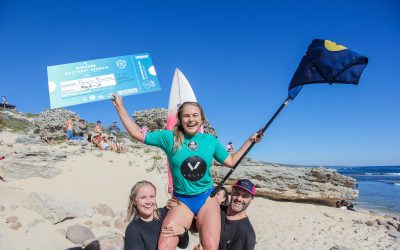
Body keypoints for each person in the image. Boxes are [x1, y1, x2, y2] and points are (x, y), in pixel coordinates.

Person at [112, 94, 263, 250]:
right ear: (180, 119)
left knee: (210, 247)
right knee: (164, 246)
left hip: (206, 198)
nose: (191, 119)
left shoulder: (210, 141)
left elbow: (231, 161)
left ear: (201, 119)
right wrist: (120, 106)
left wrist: (250, 141)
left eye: (195, 115)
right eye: (186, 116)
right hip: (182, 201)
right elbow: (137, 134)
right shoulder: (168, 138)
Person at [124, 181, 189, 250]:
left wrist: (182, 231)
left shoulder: (164, 214)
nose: (148, 201)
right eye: (143, 197)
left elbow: (184, 244)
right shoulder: (133, 229)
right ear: (134, 201)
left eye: (152, 196)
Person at [219, 179, 256, 250]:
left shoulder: (246, 233)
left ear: (251, 199)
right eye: (237, 193)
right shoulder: (217, 210)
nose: (239, 199)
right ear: (232, 191)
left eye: (245, 196)